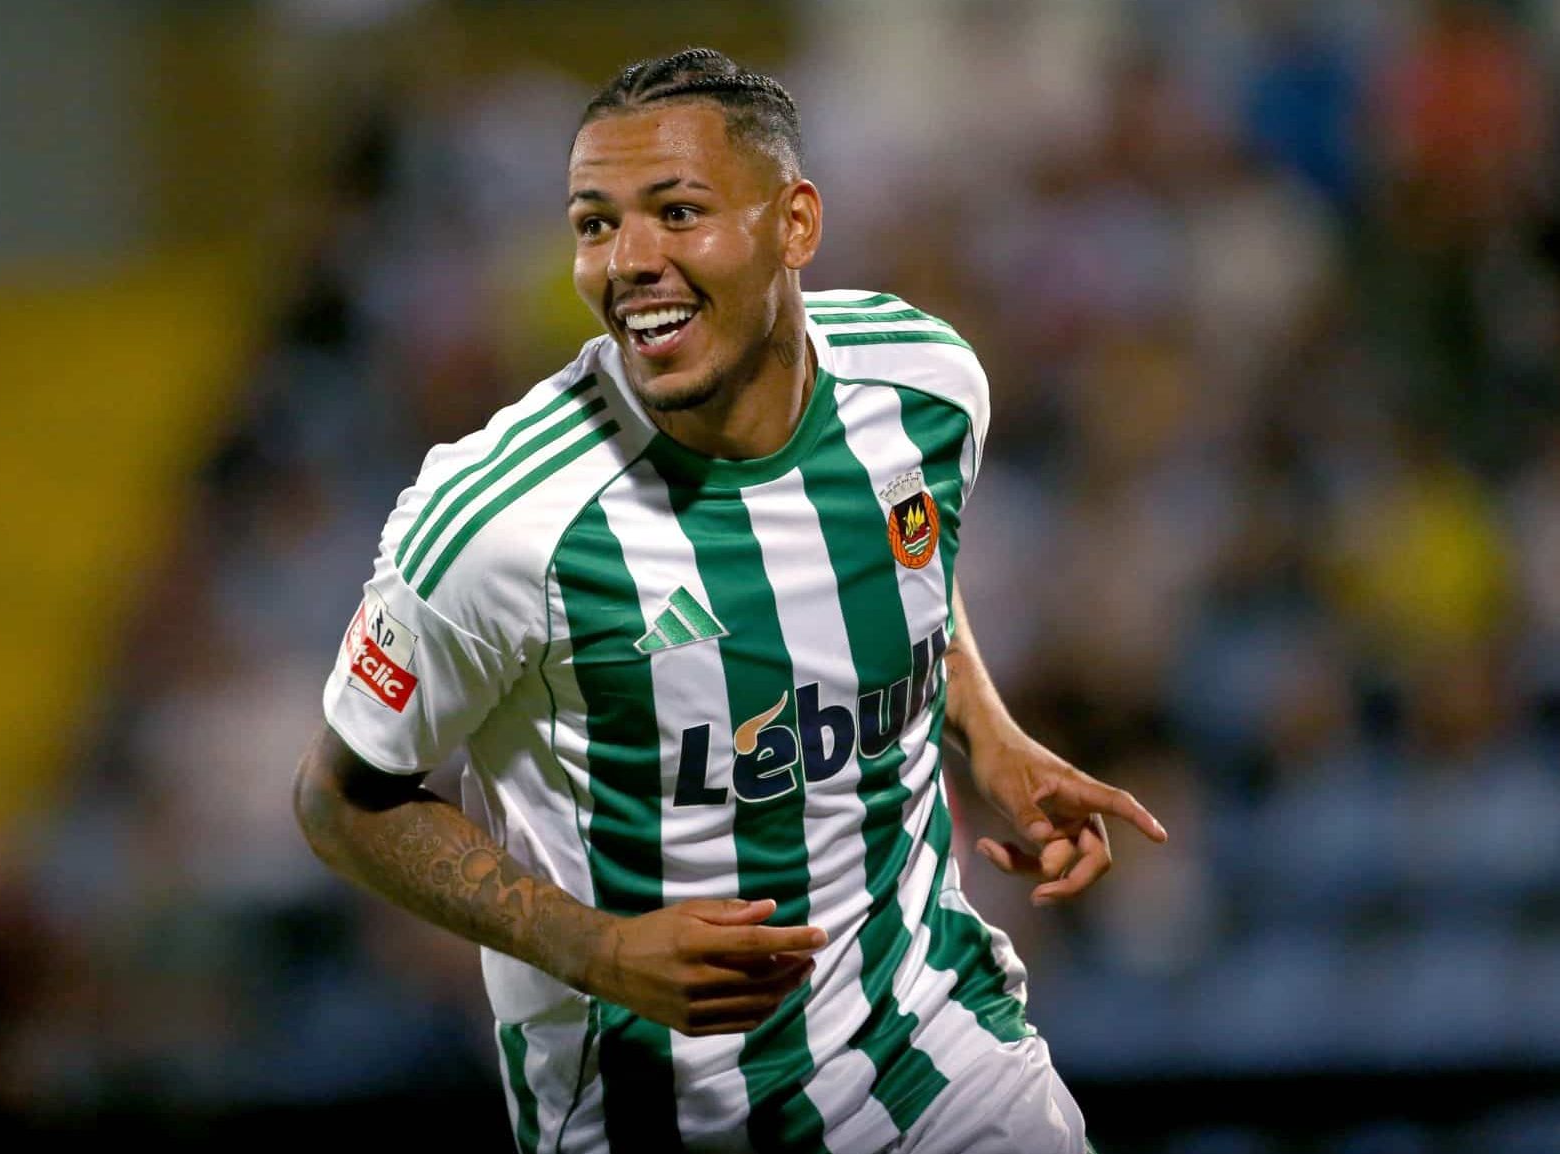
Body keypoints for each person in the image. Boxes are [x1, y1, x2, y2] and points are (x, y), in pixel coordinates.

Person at [295, 48, 1168, 1154]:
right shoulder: (498, 521)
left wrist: (984, 732)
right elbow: (340, 797)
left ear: (794, 223)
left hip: (947, 1068)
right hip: (655, 1121)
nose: (629, 261)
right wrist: (594, 949)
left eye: (676, 211)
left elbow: (908, 578)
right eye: (593, 223)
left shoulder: (924, 386)